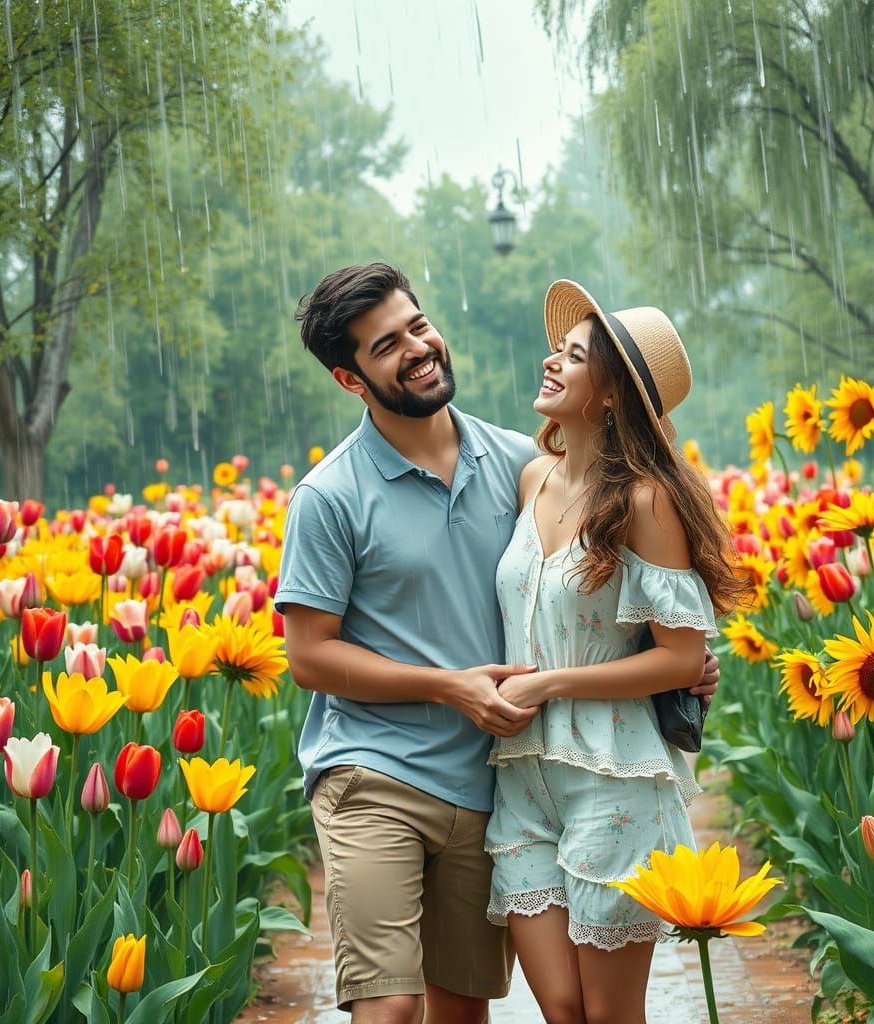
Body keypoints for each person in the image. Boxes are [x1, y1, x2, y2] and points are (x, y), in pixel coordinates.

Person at [276, 263, 720, 1024]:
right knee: (390, 1008)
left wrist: (681, 669)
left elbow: (647, 611)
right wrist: (451, 685)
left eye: (418, 326)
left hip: (497, 778)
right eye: (388, 345)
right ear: (352, 379)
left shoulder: (515, 463)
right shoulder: (330, 496)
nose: (417, 348)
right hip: (379, 770)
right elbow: (308, 656)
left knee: (476, 1010)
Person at [483, 280, 751, 1024]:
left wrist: (548, 685)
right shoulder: (531, 477)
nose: (550, 362)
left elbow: (677, 658)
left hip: (615, 775)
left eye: (572, 357)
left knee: (607, 1015)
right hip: (520, 775)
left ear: (610, 396)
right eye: (558, 350)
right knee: (561, 1009)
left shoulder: (643, 500)